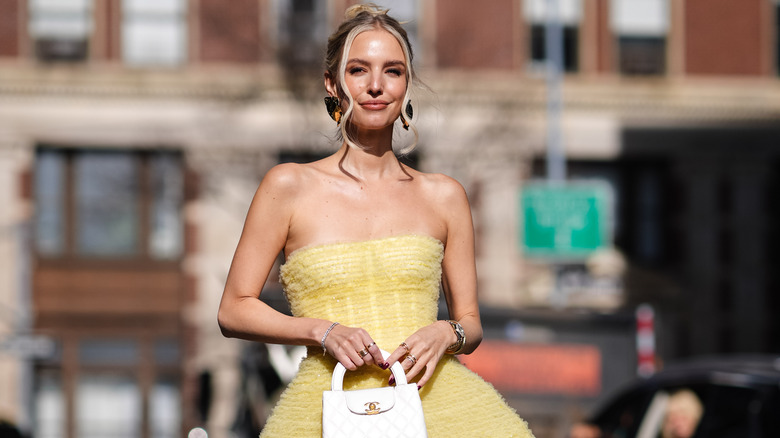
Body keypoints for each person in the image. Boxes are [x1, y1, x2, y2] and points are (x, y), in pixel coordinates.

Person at [217, 4, 535, 437]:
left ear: (406, 86)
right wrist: (321, 331)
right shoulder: (287, 185)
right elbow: (233, 310)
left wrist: (447, 333)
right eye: (358, 70)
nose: (375, 86)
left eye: (393, 71)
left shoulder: (444, 195)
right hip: (326, 406)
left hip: (440, 405)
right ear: (333, 83)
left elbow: (472, 323)